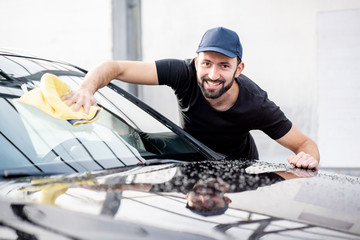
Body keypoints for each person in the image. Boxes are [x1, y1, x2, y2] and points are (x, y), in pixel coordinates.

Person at [62, 27, 320, 169]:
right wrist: (87, 88)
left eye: (224, 66)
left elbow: (306, 144)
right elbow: (114, 67)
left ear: (239, 69)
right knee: (130, 135)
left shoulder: (255, 103)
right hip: (190, 156)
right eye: (206, 63)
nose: (212, 74)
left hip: (236, 170)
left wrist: (307, 157)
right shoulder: (183, 73)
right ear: (196, 61)